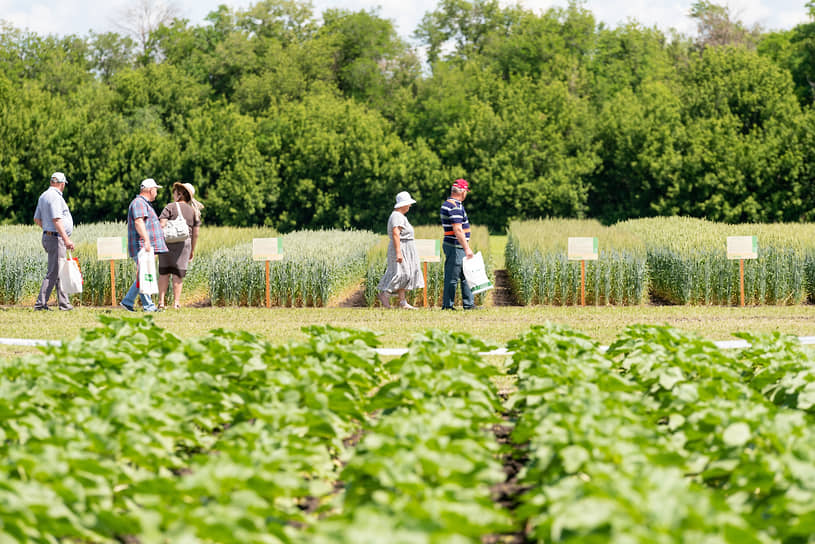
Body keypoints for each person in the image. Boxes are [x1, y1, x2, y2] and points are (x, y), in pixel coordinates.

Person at [120, 178, 169, 312]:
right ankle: (148, 306)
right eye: (156, 190)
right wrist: (147, 240)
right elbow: (139, 222)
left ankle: (128, 301)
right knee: (144, 274)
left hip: (145, 246)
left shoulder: (143, 203)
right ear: (150, 190)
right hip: (141, 246)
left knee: (143, 274)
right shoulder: (139, 203)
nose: (156, 193)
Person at [32, 172, 75, 311]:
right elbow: (57, 219)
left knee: (58, 271)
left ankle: (64, 304)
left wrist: (47, 230)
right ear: (62, 184)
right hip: (56, 238)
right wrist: (66, 239)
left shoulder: (43, 196)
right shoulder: (55, 197)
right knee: (53, 272)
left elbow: (37, 219)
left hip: (49, 236)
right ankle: (40, 304)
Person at [158, 182, 203, 309]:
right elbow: (196, 233)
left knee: (164, 272)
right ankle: (176, 303)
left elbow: (161, 225)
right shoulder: (193, 211)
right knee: (178, 274)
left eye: (174, 192)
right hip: (184, 244)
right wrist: (192, 250)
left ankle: (161, 303)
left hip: (167, 243)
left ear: (179, 194)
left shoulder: (170, 207)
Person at [377, 191, 424, 309]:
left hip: (405, 248)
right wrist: (398, 252)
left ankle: (403, 302)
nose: (410, 206)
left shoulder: (400, 216)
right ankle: (385, 294)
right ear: (403, 204)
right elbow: (395, 234)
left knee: (405, 273)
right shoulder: (396, 216)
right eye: (408, 204)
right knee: (403, 273)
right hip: (401, 247)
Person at [440, 178, 476, 310]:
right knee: (452, 277)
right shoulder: (454, 206)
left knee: (465, 275)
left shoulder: (449, 203)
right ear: (462, 191)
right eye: (466, 191)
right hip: (455, 246)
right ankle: (448, 306)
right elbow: (458, 229)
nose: (466, 194)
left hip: (457, 246)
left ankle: (469, 304)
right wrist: (466, 248)